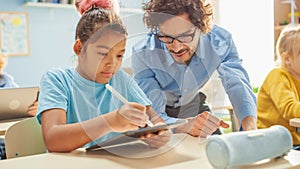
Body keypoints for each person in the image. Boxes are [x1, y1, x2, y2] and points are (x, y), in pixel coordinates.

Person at [37, 5, 172, 153]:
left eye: (119, 55)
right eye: (102, 53)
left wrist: (159, 134)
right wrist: (110, 122)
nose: (112, 64)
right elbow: (53, 140)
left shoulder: (121, 78)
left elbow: (156, 121)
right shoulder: (57, 80)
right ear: (79, 48)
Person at [131, 0, 256, 135]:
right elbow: (155, 116)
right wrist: (182, 126)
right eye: (167, 37)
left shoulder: (220, 41)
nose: (176, 48)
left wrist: (249, 125)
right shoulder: (143, 54)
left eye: (185, 36)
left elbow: (237, 83)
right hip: (159, 112)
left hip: (193, 104)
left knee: (217, 149)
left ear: (201, 27)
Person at [257, 25, 300, 147]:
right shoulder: (277, 75)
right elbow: (289, 110)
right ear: (287, 58)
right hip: (273, 143)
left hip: (293, 141)